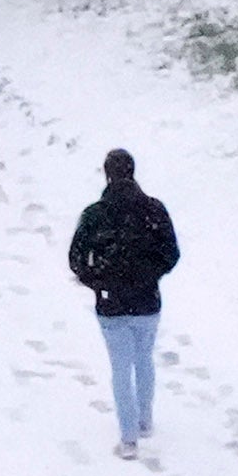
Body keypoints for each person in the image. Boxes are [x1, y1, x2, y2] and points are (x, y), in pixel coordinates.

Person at [67, 148, 182, 458]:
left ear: (107, 174)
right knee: (144, 359)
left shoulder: (95, 214)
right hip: (147, 300)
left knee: (120, 367)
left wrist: (97, 280)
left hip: (111, 303)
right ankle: (145, 420)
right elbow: (171, 253)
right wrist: (150, 274)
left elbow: (76, 258)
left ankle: (128, 436)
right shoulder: (154, 210)